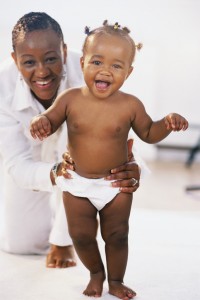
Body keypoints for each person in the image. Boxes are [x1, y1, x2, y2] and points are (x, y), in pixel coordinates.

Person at [30, 20, 188, 299]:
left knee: (117, 235)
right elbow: (51, 120)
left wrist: (167, 123)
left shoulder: (130, 105)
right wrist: (40, 121)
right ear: (82, 63)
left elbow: (149, 133)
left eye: (116, 66)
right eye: (97, 61)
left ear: (129, 72)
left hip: (115, 184)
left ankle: (115, 280)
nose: (105, 70)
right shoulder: (69, 99)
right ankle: (95, 274)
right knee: (81, 235)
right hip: (76, 181)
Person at [0, 12, 141, 269]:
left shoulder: (92, 71)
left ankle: (73, 234)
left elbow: (112, 133)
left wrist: (62, 240)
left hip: (81, 156)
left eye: (51, 59)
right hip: (33, 162)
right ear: (15, 60)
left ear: (64, 52)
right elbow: (16, 165)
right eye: (29, 62)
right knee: (21, 244)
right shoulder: (2, 87)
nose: (42, 71)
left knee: (87, 165)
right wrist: (55, 173)